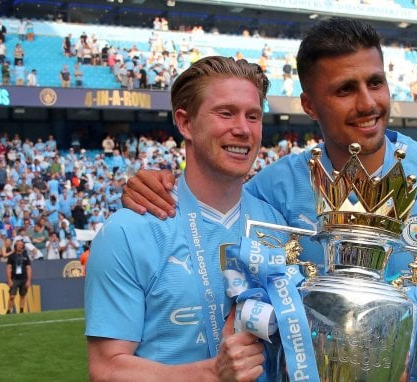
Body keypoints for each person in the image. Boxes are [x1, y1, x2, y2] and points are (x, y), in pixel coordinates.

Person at [122, 18, 417, 382]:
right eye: (345, 89)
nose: (367, 103)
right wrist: (157, 184)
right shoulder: (271, 190)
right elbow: (212, 193)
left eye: (376, 83)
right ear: (309, 105)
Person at [84, 56, 287, 380]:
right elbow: (107, 367)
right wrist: (211, 374)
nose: (243, 129)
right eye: (226, 113)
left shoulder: (276, 226)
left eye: (253, 116)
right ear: (185, 123)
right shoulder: (128, 230)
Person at [6, 240, 32, 314]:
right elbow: (8, 268)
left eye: (21, 245)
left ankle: (21, 310)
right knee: (12, 296)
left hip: (24, 279)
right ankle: (9, 311)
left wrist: (28, 280)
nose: (20, 246)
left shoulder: (25, 256)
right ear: (15, 246)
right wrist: (9, 280)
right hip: (14, 279)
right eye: (18, 245)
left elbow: (29, 268)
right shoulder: (11, 256)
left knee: (22, 295)